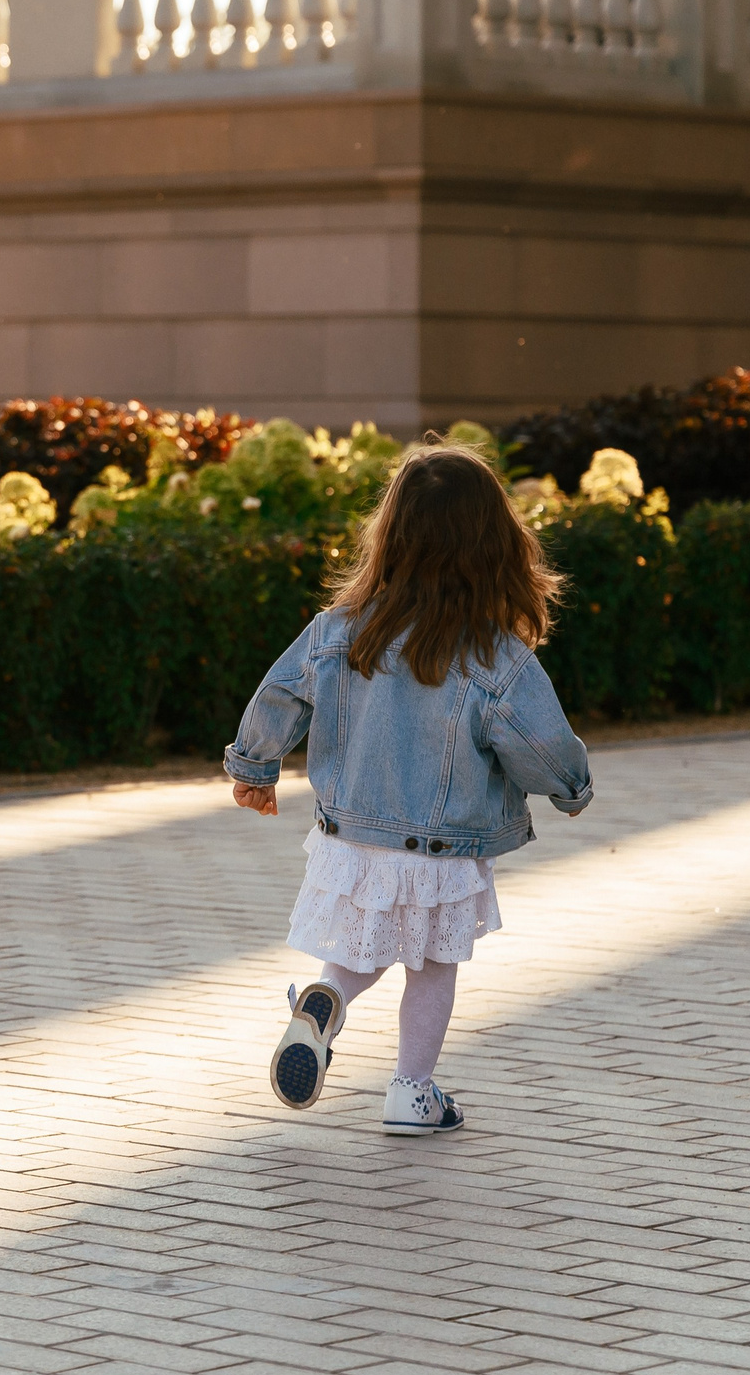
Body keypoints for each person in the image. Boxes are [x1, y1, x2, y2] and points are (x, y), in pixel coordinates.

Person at [223, 442, 593, 1134]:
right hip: (440, 844)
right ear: (494, 544)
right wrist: (570, 787)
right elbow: (540, 741)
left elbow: (279, 693)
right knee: (430, 963)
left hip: (352, 834)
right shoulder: (492, 655)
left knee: (361, 946)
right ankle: (412, 1092)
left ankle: (322, 1002)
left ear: (389, 536)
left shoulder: (339, 630)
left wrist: (254, 769)